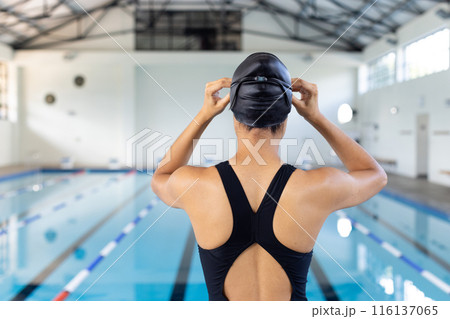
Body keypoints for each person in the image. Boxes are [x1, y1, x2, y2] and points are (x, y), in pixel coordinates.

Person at [151, 52, 387, 301]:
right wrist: (316, 117)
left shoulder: (198, 185)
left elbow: (161, 176)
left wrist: (204, 115)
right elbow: (374, 175)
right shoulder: (316, 186)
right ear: (285, 121)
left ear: (234, 117)